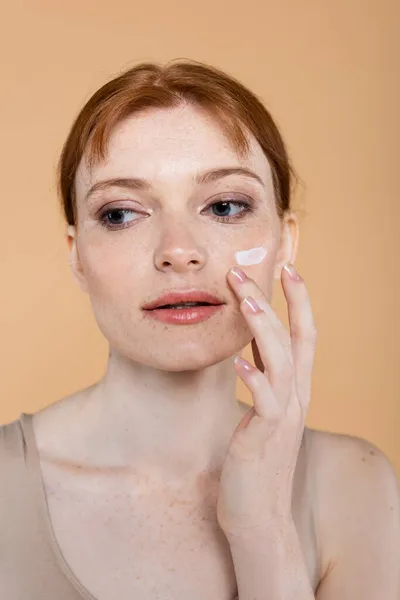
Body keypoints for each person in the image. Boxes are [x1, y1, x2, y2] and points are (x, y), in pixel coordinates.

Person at [1, 59, 399, 600]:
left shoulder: (357, 486)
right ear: (77, 256)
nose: (178, 251)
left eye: (225, 205)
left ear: (285, 242)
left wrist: (262, 530)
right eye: (120, 214)